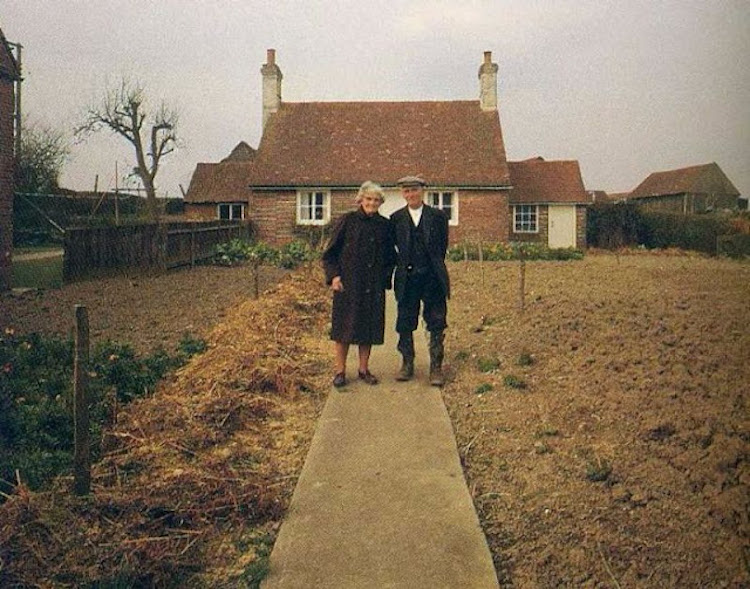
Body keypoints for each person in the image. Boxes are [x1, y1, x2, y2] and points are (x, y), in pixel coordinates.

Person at [322, 181, 396, 388]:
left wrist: (385, 279)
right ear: (360, 199)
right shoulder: (347, 221)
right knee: (343, 329)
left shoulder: (385, 225)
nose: (372, 203)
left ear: (381, 202)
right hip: (348, 285)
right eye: (368, 199)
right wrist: (334, 277)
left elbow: (391, 257)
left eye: (376, 200)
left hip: (373, 286)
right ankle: (340, 371)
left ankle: (363, 369)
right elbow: (330, 254)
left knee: (368, 329)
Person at [390, 175, 450, 386]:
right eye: (406, 191)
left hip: (432, 277)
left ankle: (436, 368)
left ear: (422, 191)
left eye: (414, 190)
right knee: (405, 321)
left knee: (436, 321)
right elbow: (394, 248)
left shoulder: (438, 217)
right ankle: (407, 364)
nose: (411, 194)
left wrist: (432, 266)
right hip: (407, 278)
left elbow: (441, 247)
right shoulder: (396, 218)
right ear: (402, 194)